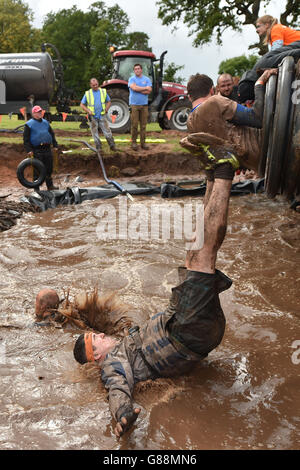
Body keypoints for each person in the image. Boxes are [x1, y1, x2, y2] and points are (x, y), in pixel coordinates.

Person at [73, 156, 235, 437]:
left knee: (195, 247)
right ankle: (224, 171)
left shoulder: (124, 346)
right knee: (201, 253)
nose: (99, 335)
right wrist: (123, 415)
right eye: (94, 340)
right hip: (185, 332)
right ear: (96, 356)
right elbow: (116, 389)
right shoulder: (112, 364)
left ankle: (212, 175)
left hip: (182, 322)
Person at [180, 69, 278, 176]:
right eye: (223, 86)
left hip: (239, 162)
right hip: (264, 151)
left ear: (189, 97)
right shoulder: (215, 102)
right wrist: (259, 83)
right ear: (212, 90)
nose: (226, 88)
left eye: (229, 85)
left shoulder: (190, 122)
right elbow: (257, 118)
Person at [23, 105, 59, 190]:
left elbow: (52, 134)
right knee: (37, 169)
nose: (40, 113)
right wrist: (29, 150)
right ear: (34, 113)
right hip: (36, 150)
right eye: (38, 112)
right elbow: (26, 139)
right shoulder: (28, 124)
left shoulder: (46, 122)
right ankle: (36, 188)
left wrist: (55, 145)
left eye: (40, 111)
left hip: (47, 148)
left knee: (49, 168)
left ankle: (50, 186)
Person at [80, 78, 118, 153]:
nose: (95, 86)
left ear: (98, 83)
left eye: (96, 84)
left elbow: (109, 101)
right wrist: (88, 111)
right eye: (93, 85)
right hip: (92, 116)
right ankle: (98, 147)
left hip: (102, 115)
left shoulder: (103, 91)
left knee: (107, 131)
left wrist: (106, 109)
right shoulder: (88, 93)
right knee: (94, 132)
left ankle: (112, 145)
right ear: (90, 85)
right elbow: (82, 104)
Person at [128, 64, 152, 151]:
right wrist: (144, 88)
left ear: (141, 70)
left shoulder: (147, 79)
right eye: (135, 69)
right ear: (134, 71)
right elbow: (133, 88)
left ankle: (143, 143)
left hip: (144, 105)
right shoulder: (131, 79)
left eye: (138, 69)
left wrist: (139, 89)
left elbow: (149, 90)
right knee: (134, 125)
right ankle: (134, 143)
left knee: (143, 126)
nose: (137, 70)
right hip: (134, 104)